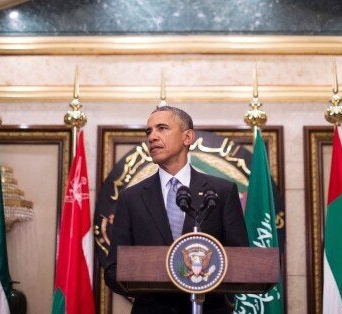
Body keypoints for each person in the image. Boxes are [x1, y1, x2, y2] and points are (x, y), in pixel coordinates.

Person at [104, 106, 249, 314]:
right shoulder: (131, 198)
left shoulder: (221, 192)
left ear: (187, 137)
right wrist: (153, 280)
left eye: (162, 128)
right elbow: (112, 270)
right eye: (149, 131)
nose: (152, 137)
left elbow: (240, 260)